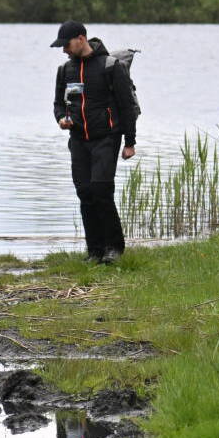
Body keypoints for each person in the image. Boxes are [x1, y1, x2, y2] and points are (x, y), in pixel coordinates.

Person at [51, 21, 137, 264]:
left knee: (101, 190)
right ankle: (94, 251)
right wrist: (61, 119)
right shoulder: (65, 70)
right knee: (85, 193)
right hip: (78, 140)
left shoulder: (110, 66)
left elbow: (126, 107)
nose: (64, 50)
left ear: (81, 38)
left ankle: (114, 248)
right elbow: (58, 103)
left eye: (66, 44)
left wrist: (129, 142)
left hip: (107, 138)